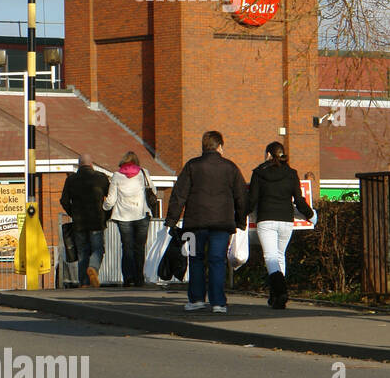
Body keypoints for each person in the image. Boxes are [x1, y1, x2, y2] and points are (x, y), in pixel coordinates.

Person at [165, 131, 248, 314]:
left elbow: (179, 195)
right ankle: (218, 302)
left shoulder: (192, 166)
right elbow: (241, 196)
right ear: (220, 146)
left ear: (204, 147)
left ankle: (196, 300)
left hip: (195, 224)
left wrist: (171, 220)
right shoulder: (230, 168)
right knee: (217, 260)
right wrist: (241, 221)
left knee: (195, 259)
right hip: (222, 224)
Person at [249, 141, 314, 309]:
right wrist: (310, 214)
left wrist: (239, 216)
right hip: (286, 220)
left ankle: (280, 291)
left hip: (266, 219)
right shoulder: (292, 174)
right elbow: (299, 201)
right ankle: (277, 296)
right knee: (279, 256)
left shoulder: (258, 173)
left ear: (269, 155)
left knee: (270, 257)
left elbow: (252, 200)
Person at [104, 150, 155, 287]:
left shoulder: (117, 176)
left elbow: (111, 199)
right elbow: (153, 191)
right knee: (139, 248)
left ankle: (128, 278)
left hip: (123, 216)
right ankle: (139, 278)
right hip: (141, 215)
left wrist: (104, 208)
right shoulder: (143, 173)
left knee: (127, 248)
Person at [59, 154, 110, 287]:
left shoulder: (71, 179)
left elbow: (64, 201)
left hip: (79, 222)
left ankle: (84, 283)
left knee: (82, 252)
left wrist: (73, 213)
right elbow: (111, 198)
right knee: (98, 249)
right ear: (91, 164)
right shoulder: (100, 178)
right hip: (97, 221)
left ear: (79, 164)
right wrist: (106, 215)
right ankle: (93, 268)